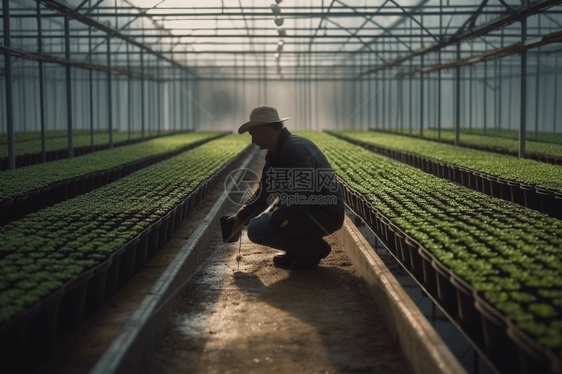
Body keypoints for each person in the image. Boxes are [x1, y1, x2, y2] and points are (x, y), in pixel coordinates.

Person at [227, 105, 345, 270]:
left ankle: (311, 249)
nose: (253, 141)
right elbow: (264, 192)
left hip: (324, 214)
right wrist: (241, 217)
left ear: (264, 129)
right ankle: (297, 251)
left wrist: (279, 214)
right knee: (274, 217)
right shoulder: (277, 153)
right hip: (310, 211)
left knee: (259, 228)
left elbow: (303, 193)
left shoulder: (296, 150)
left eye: (253, 134)